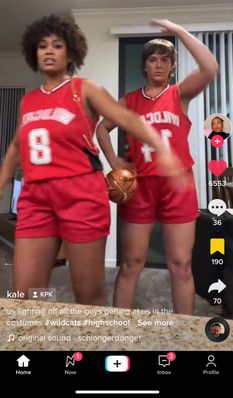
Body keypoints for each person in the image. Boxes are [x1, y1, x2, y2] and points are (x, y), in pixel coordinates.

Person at [0, 15, 182, 306]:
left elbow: (126, 118)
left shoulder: (84, 89)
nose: (48, 50)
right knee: (25, 295)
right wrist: (3, 179)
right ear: (33, 52)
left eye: (57, 45)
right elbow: (16, 145)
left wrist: (161, 148)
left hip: (80, 194)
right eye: (42, 45)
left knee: (88, 294)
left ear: (70, 52)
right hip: (35, 197)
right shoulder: (28, 101)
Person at [96, 19, 218, 314]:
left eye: (165, 60)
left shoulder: (180, 94)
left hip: (179, 186)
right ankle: (118, 330)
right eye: (153, 59)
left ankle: (182, 333)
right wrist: (114, 161)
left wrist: (177, 31)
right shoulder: (130, 101)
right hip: (141, 187)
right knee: (131, 263)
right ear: (145, 66)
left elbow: (210, 68)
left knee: (181, 264)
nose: (159, 65)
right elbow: (102, 128)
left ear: (172, 66)